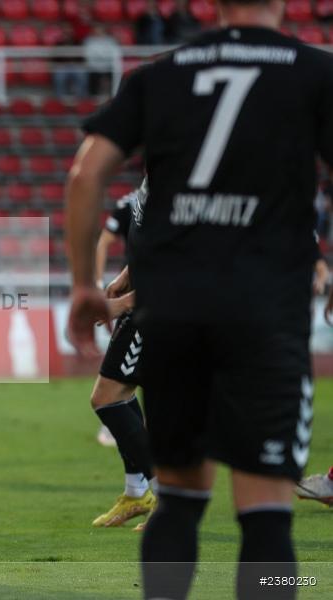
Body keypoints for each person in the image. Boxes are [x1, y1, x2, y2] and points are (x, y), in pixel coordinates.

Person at [65, 1, 333, 598]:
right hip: (266, 311)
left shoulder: (163, 73)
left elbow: (86, 174)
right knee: (265, 512)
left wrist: (84, 282)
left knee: (180, 501)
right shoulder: (314, 71)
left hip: (173, 310)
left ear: (213, 5)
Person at [90, 181, 156, 530]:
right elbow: (147, 242)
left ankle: (163, 496)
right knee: (119, 396)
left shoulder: (181, 178)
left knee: (107, 398)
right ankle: (136, 491)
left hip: (156, 304)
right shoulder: (154, 178)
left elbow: (176, 260)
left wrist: (121, 303)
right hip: (141, 297)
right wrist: (126, 275)